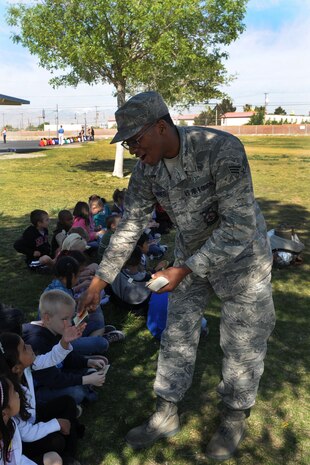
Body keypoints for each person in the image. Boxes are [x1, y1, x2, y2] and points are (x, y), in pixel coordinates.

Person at [79, 91, 276, 460]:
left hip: (241, 257)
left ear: (161, 127)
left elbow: (238, 226)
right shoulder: (146, 170)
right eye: (127, 142)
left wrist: (181, 269)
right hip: (189, 255)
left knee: (243, 343)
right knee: (177, 335)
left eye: (135, 139)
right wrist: (98, 281)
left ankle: (234, 416)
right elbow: (130, 226)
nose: (133, 148)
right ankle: (166, 412)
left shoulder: (221, 149)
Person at [0, 330, 85, 465]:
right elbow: (27, 433)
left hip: (33, 420)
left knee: (68, 402)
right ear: (16, 368)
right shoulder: (8, 398)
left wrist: (64, 342)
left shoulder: (26, 367)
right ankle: (66, 456)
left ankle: (69, 454)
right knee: (56, 441)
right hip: (24, 441)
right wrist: (56, 423)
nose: (29, 346)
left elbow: (50, 358)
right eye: (24, 348)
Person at [23, 290, 107, 405]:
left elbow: (65, 357)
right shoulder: (36, 342)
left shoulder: (54, 328)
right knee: (77, 393)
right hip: (37, 388)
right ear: (47, 318)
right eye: (65, 319)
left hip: (53, 374)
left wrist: (87, 362)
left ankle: (86, 377)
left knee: (83, 376)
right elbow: (53, 380)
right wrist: (86, 380)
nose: (70, 323)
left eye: (70, 318)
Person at [0, 375, 63, 465]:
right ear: (4, 413)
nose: (17, 394)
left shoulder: (11, 422)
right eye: (13, 392)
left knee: (54, 458)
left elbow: (17, 459)